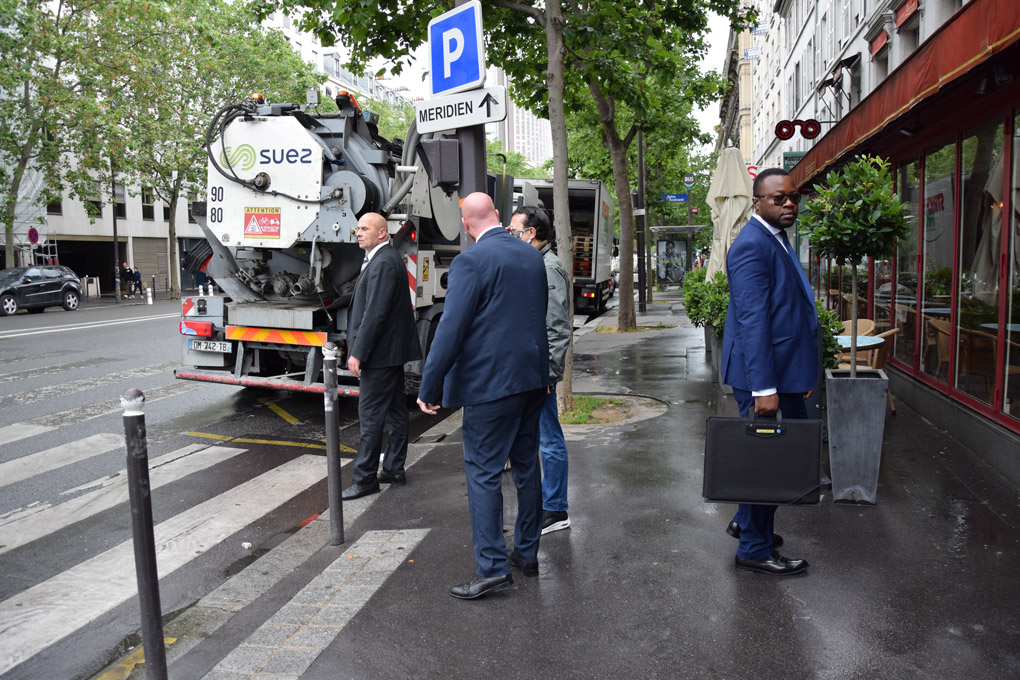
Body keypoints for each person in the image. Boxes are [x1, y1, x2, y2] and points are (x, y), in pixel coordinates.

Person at [417, 192, 549, 600]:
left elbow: (451, 329)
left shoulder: (470, 261)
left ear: (465, 222)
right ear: (495, 215)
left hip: (491, 385)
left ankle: (491, 567)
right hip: (532, 379)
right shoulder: (530, 256)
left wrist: (430, 383)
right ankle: (526, 553)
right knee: (528, 467)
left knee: (484, 472)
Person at [720, 167, 817, 576]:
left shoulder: (775, 238)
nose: (789, 203)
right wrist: (765, 388)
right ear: (758, 202)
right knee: (768, 463)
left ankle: (747, 522)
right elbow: (753, 322)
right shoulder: (752, 245)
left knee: (765, 458)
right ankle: (755, 548)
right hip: (766, 377)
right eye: (779, 198)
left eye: (793, 196)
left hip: (783, 373)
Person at [341, 212, 422, 501]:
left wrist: (358, 353)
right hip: (389, 352)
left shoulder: (384, 262)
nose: (358, 233)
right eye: (358, 228)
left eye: (365, 229)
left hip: (380, 354)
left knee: (371, 417)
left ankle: (364, 480)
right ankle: (393, 468)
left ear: (382, 234)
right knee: (396, 411)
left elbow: (375, 313)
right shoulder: (382, 259)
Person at [509, 206, 572, 535]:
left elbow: (558, 328)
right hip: (531, 369)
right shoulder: (537, 264)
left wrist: (547, 374)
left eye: (514, 230)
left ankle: (556, 508)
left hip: (539, 373)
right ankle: (550, 504)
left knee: (549, 439)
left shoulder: (547, 268)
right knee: (540, 437)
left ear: (530, 233)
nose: (510, 235)